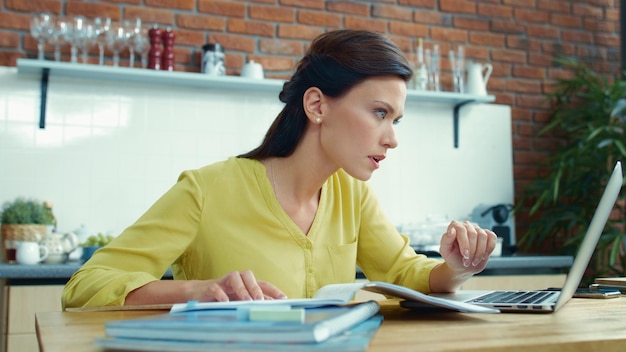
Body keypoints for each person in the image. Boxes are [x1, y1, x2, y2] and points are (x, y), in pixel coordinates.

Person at [62, 29, 497, 309]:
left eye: (396, 120)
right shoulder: (207, 189)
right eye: (379, 113)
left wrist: (456, 268)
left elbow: (405, 273)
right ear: (316, 105)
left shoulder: (352, 194)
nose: (392, 138)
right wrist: (195, 291)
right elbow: (85, 286)